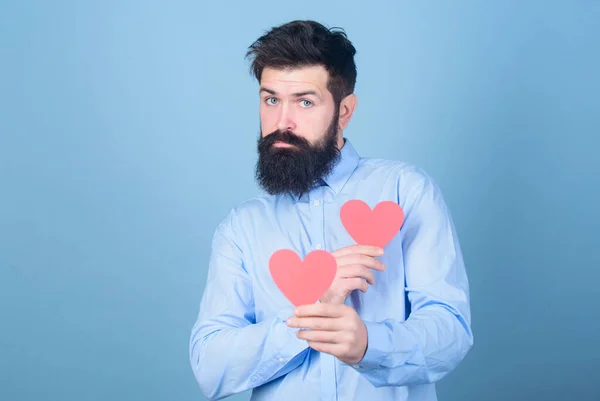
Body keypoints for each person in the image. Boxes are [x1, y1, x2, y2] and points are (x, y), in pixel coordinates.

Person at [189, 20, 473, 401]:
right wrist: (315, 310)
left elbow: (451, 331)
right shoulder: (241, 229)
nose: (281, 122)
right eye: (271, 99)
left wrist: (370, 344)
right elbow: (210, 368)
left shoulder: (406, 192)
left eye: (305, 102)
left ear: (344, 111)